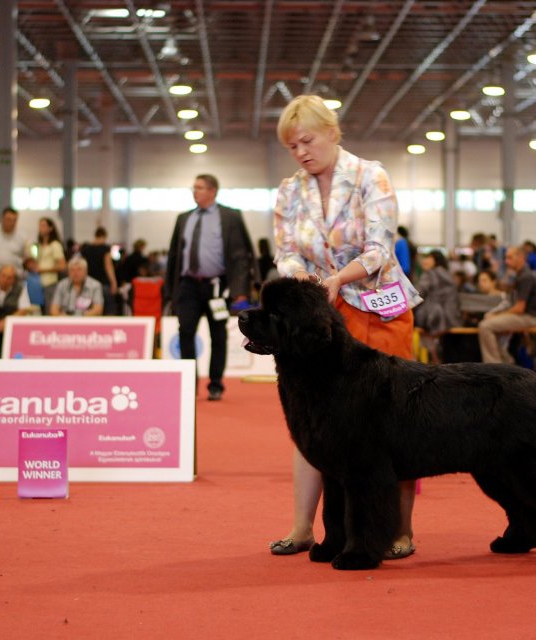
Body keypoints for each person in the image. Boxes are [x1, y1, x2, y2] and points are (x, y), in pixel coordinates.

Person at [271, 94, 423, 559]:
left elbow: (381, 247)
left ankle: (400, 530)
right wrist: (302, 278)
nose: (300, 152)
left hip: (378, 308)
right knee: (311, 421)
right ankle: (302, 528)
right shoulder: (288, 191)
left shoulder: (370, 175)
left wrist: (338, 279)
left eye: (308, 140)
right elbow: (285, 250)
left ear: (333, 133)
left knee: (393, 423)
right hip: (320, 318)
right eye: (292, 145)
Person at [164, 174, 253, 401]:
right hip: (188, 286)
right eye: (194, 187)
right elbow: (174, 255)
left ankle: (215, 384)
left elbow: (241, 255)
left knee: (218, 335)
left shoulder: (230, 217)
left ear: (213, 191)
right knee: (185, 332)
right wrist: (169, 290)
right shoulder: (184, 218)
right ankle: (187, 384)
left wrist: (238, 289)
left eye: (200, 188)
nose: (195, 191)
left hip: (217, 286)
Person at [477, 245, 536, 364]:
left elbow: (519, 308)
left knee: (485, 326)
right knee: (490, 326)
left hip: (529, 317)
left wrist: (496, 316)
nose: (506, 261)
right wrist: (496, 314)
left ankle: (494, 367)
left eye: (509, 258)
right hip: (523, 315)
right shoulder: (519, 275)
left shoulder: (526, 276)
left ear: (520, 258)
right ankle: (507, 363)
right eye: (506, 258)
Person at [413, 249, 461, 335]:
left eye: (428, 258)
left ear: (436, 260)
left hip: (432, 317)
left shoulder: (429, 274)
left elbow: (418, 294)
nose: (424, 261)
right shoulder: (448, 275)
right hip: (451, 318)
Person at [79, 227, 119, 315]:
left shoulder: (86, 249)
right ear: (104, 236)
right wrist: (114, 282)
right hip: (103, 282)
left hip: (88, 283)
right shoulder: (105, 249)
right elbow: (108, 266)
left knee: (88, 309)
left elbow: (82, 267)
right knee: (108, 309)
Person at [35, 217, 66, 312]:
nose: (41, 228)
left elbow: (62, 265)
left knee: (49, 309)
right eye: (40, 225)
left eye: (43, 225)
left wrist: (43, 269)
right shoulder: (40, 246)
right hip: (39, 283)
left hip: (50, 282)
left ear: (50, 228)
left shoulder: (55, 245)